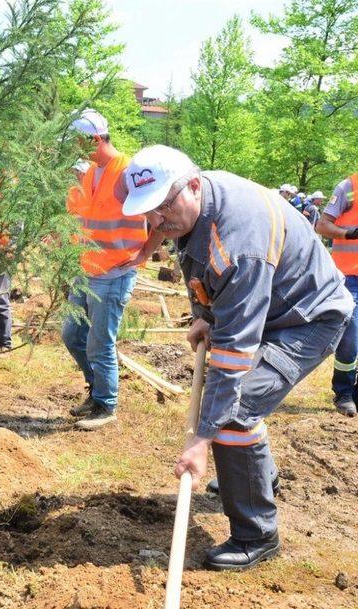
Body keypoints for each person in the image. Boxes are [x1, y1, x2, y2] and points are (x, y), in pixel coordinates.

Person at [120, 145, 353, 570]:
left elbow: (233, 357)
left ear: (191, 186)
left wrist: (200, 440)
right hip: (271, 305)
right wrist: (205, 314)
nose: (155, 222)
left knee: (232, 414)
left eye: (161, 208)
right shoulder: (196, 203)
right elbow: (203, 269)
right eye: (146, 213)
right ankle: (254, 477)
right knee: (231, 407)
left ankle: (256, 535)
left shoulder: (237, 242)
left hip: (308, 319)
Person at [61, 108, 154, 430]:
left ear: (96, 139)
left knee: (100, 343)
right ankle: (95, 389)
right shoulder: (90, 173)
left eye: (77, 143)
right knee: (72, 336)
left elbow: (157, 214)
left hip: (115, 271)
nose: (74, 150)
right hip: (86, 270)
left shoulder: (128, 171)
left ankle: (106, 404)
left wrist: (145, 253)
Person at [315, 175, 358, 417]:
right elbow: (322, 226)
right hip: (349, 278)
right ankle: (343, 391)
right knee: (351, 339)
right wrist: (349, 233)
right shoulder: (348, 187)